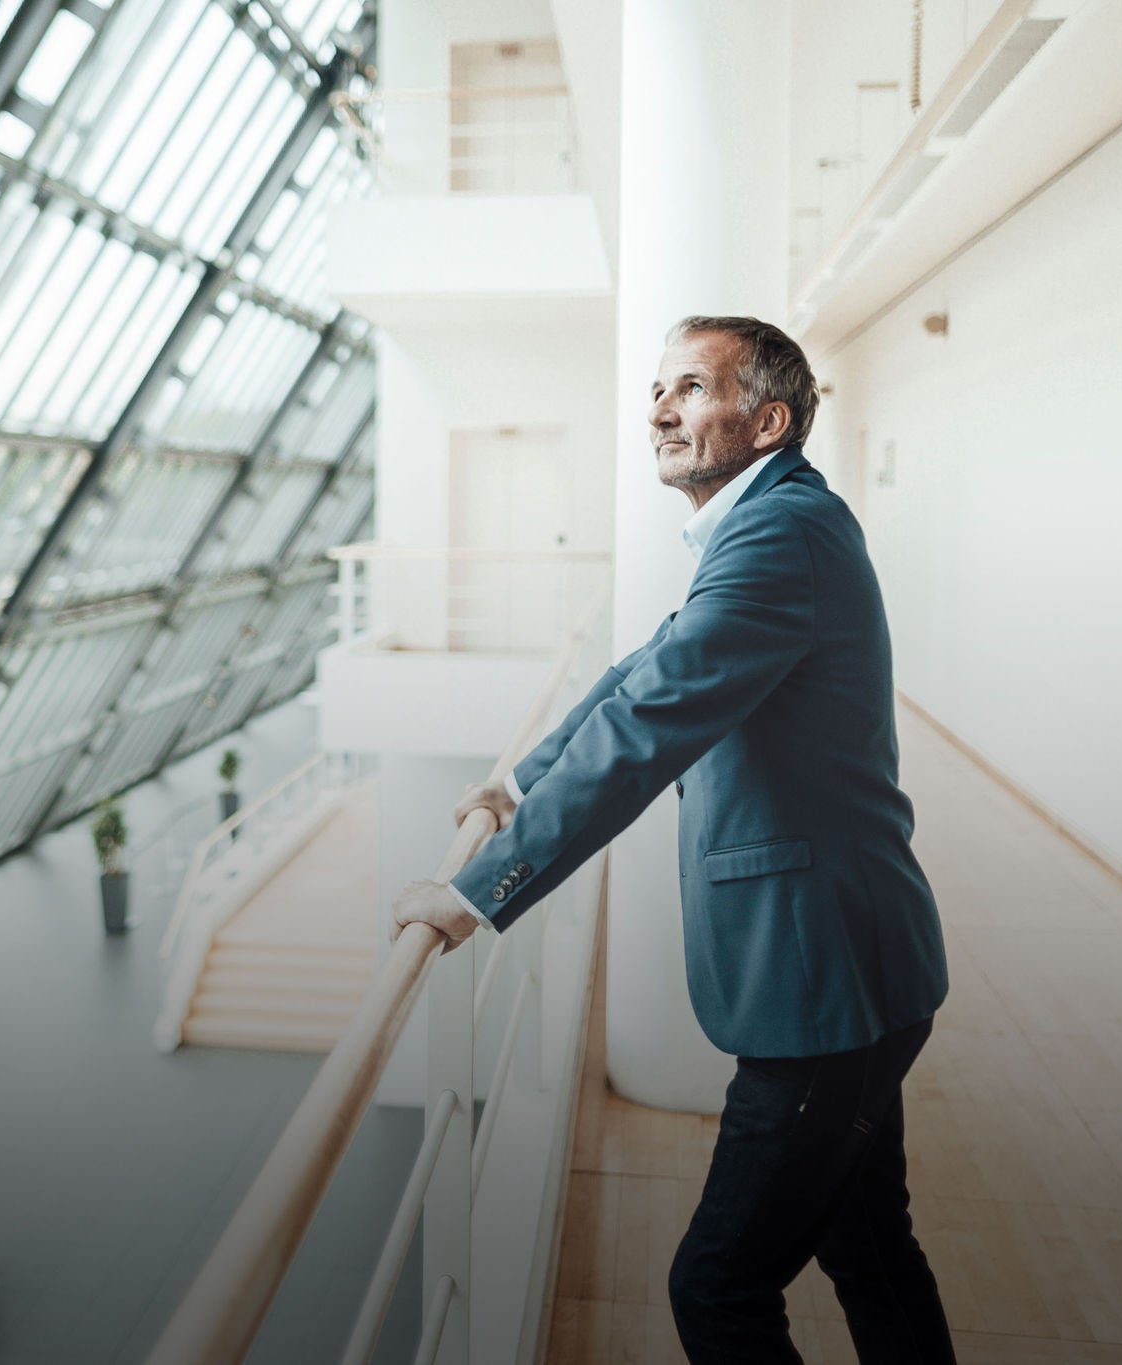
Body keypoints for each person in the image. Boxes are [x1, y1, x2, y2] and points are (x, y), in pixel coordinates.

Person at [388, 316, 957, 1363]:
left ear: (766, 420)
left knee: (717, 1290)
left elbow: (647, 725)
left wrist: (475, 892)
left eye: (691, 388)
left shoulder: (780, 532)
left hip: (822, 984)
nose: (658, 410)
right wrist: (519, 782)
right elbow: (639, 675)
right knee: (869, 1250)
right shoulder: (770, 521)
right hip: (858, 970)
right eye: (658, 388)